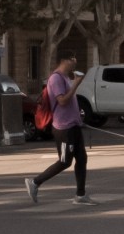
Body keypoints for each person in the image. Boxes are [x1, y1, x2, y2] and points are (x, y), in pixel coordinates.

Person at [25, 50, 98, 205]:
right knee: (65, 161)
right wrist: (76, 84)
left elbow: (71, 103)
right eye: (73, 59)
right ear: (66, 60)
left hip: (74, 125)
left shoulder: (65, 77)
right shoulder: (56, 79)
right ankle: (35, 182)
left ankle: (80, 195)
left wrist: (79, 119)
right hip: (64, 128)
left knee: (82, 158)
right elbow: (63, 101)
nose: (75, 62)